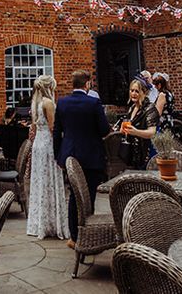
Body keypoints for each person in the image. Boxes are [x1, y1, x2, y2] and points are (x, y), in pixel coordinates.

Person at [53, 69, 110, 248]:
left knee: (74, 195)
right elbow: (104, 130)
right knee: (89, 195)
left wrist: (58, 156)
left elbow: (56, 132)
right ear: (87, 84)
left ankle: (74, 236)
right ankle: (87, 233)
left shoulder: (62, 103)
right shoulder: (94, 103)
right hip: (91, 156)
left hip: (70, 156)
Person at [26, 76, 68, 239]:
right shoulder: (48, 103)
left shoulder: (35, 103)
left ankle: (39, 223)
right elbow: (53, 128)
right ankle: (51, 223)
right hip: (48, 145)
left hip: (38, 144)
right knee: (49, 181)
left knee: (40, 182)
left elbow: (34, 127)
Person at [120, 79, 159, 169]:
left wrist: (136, 132)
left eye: (137, 91)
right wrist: (123, 130)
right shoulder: (132, 107)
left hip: (145, 152)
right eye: (132, 90)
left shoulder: (150, 108)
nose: (133, 93)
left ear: (144, 93)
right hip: (133, 152)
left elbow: (152, 133)